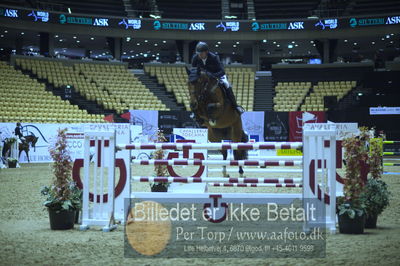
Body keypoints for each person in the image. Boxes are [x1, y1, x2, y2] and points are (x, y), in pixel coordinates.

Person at [191, 41, 244, 115]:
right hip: (204, 78)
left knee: (226, 84)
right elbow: (193, 70)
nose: (199, 55)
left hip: (217, 75)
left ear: (206, 52)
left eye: (201, 53)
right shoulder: (195, 58)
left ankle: (235, 106)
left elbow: (222, 71)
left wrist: (212, 75)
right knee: (196, 88)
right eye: (198, 53)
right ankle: (195, 110)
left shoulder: (214, 57)